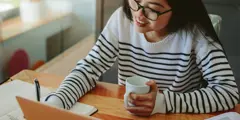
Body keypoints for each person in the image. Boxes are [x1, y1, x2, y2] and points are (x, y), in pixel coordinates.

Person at [43, 0, 239, 116]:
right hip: (127, 115)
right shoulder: (122, 18)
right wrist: (57, 102)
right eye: (136, 1)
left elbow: (228, 93)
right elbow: (89, 67)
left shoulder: (195, 33)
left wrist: (162, 102)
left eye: (153, 8)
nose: (138, 14)